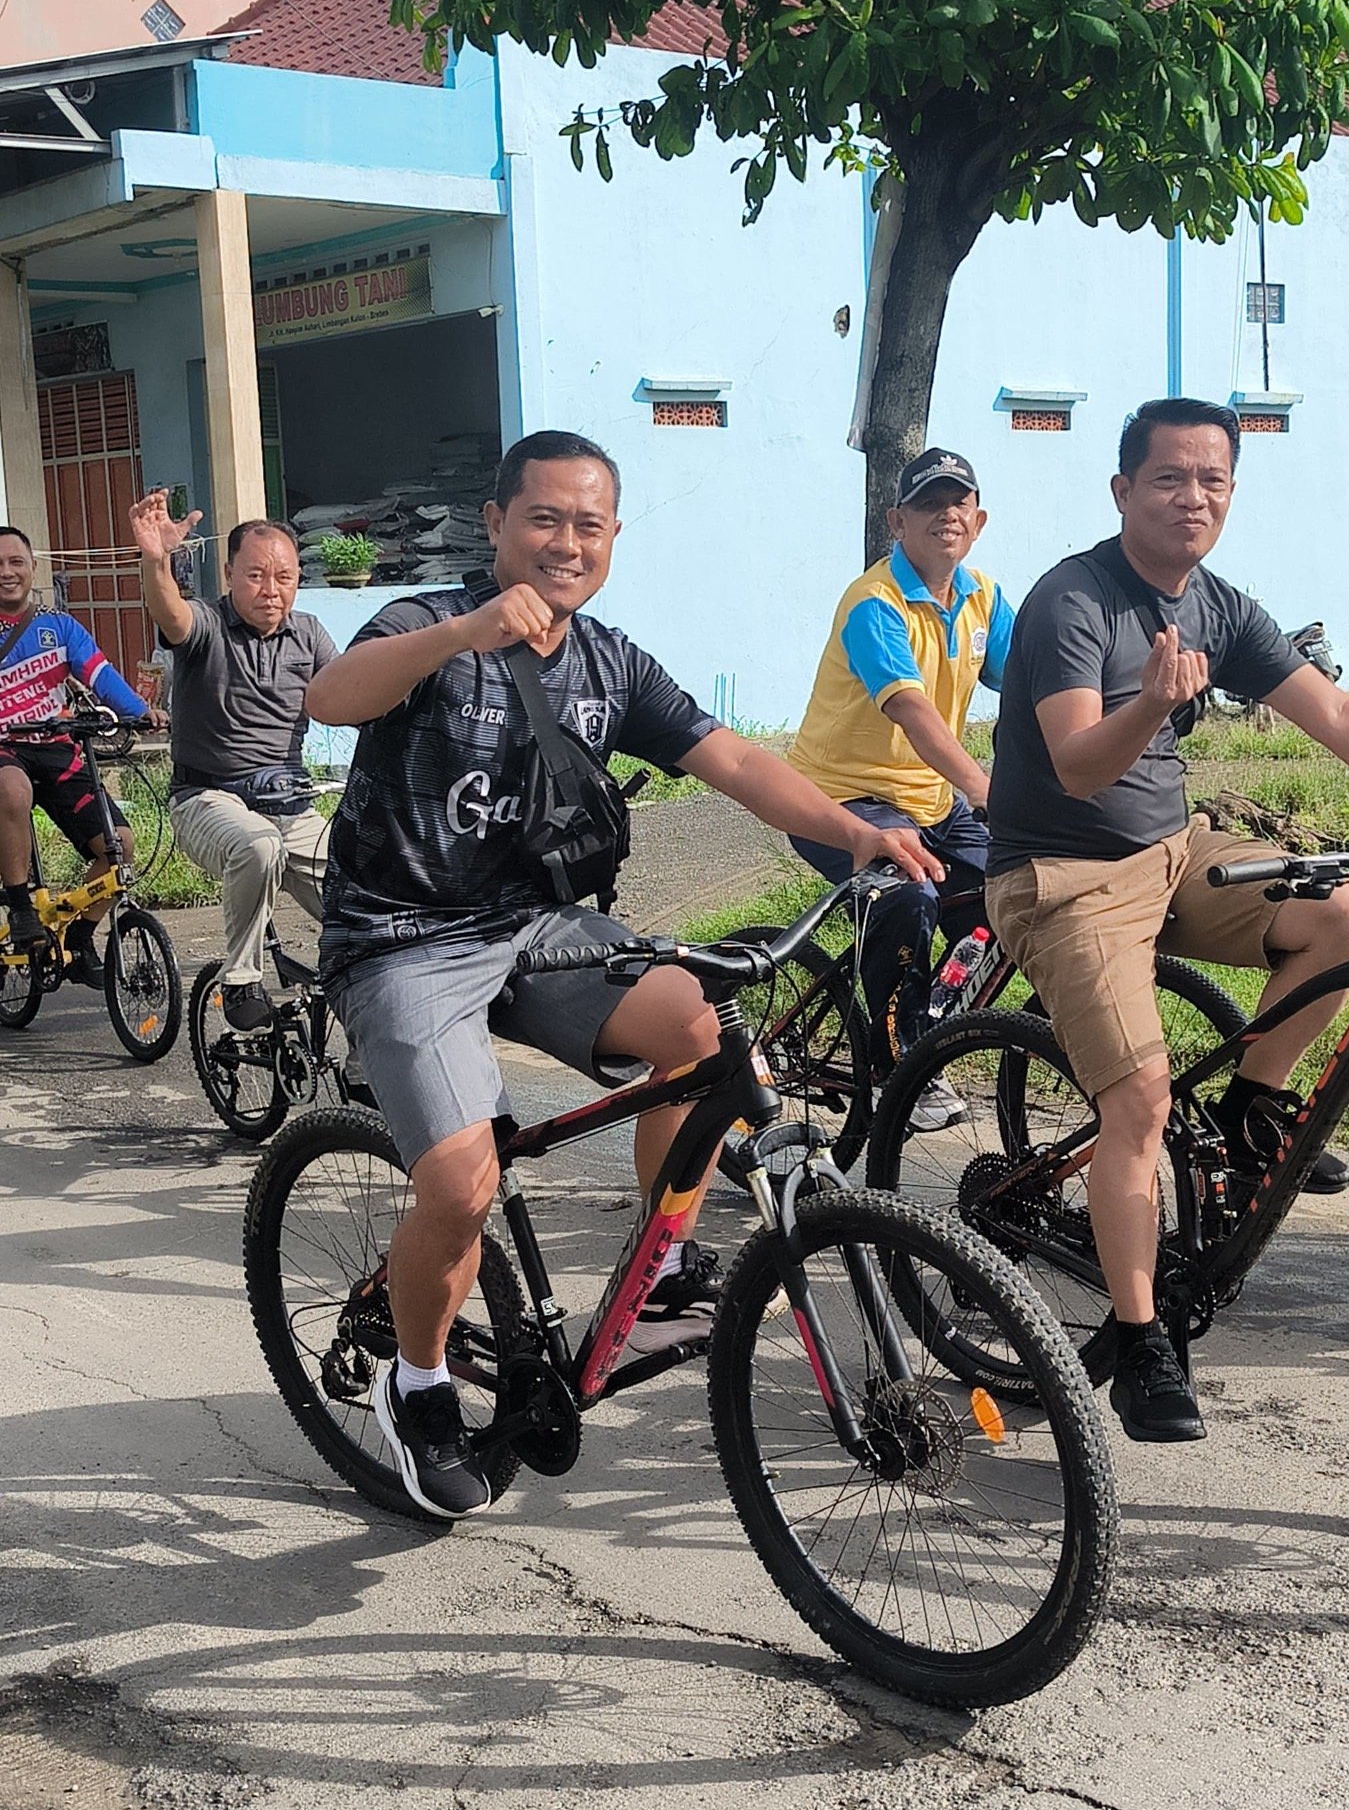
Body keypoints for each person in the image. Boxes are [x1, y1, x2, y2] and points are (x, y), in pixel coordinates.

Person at [307, 427, 938, 1522]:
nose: (566, 542)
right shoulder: (423, 623)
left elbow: (731, 758)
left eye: (588, 525)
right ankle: (417, 1383)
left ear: (611, 539)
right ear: (496, 524)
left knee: (699, 1029)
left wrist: (854, 833)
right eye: (543, 519)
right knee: (461, 1186)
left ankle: (659, 1275)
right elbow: (331, 697)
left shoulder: (610, 663)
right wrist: (463, 633)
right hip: (405, 937)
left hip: (539, 927)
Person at [985, 394, 1349, 1444]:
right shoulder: (1072, 601)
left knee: (1343, 913)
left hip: (1173, 850)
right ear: (1122, 490)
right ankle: (1143, 1338)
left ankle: (1247, 1113)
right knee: (1140, 1102)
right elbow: (1077, 766)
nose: (1193, 497)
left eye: (1212, 480)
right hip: (1063, 874)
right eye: (1169, 478)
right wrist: (1150, 702)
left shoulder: (1221, 607)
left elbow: (1337, 712)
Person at [787, 448, 1015, 1126]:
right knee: (908, 894)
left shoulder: (983, 598)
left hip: (932, 802)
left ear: (978, 521)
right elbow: (911, 711)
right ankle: (898, 1065)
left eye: (959, 503)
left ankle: (928, 1026)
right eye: (928, 504)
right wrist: (983, 786)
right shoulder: (874, 603)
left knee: (1014, 889)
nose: (947, 515)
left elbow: (1040, 683)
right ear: (897, 521)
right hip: (839, 799)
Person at [129, 495, 337, 1032]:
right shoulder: (207, 625)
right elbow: (170, 614)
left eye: (284, 577)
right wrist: (156, 561)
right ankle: (241, 978)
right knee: (258, 845)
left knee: (368, 899)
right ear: (228, 575)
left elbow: (350, 694)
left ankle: (365, 1046)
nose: (271, 590)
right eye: (256, 575)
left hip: (291, 806)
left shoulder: (310, 634)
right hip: (206, 800)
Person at [0, 526, 150, 986]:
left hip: (57, 750)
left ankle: (80, 940)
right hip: (5, 752)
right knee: (12, 789)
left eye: (16, 562)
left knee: (120, 845)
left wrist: (141, 713)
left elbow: (101, 676)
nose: (7, 572)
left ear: (33, 568)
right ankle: (20, 907)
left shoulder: (60, 628)